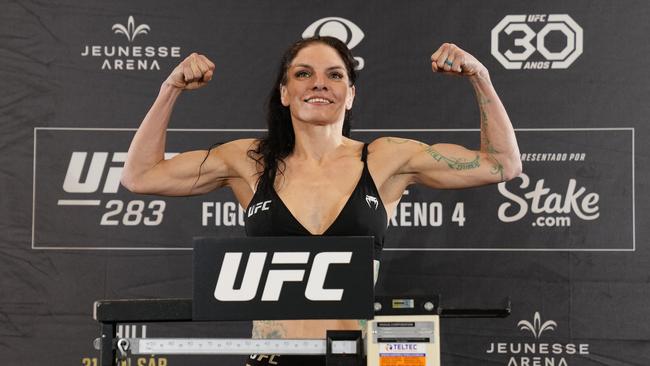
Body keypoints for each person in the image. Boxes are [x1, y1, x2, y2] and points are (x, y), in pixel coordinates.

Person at [121, 36, 521, 366]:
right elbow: (139, 175)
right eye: (303, 74)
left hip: (357, 357)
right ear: (284, 92)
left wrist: (481, 78)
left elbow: (502, 165)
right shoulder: (250, 161)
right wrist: (170, 89)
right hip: (273, 356)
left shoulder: (384, 159)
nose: (318, 83)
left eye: (334, 75)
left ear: (350, 94)